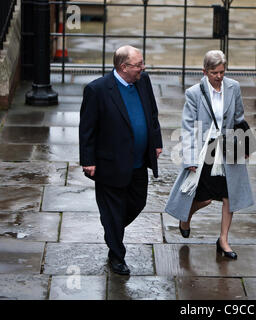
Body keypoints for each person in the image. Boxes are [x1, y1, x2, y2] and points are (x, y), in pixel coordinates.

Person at [79, 45, 163, 275]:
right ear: (123, 67)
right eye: (138, 64)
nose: (142, 68)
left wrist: (156, 142)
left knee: (138, 203)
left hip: (138, 161)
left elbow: (151, 114)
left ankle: (112, 229)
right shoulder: (97, 90)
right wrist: (88, 160)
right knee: (114, 210)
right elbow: (87, 129)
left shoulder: (143, 81)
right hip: (110, 164)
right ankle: (117, 255)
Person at [165, 50, 254, 259]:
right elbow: (187, 128)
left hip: (228, 147)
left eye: (222, 72)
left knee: (228, 197)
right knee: (203, 199)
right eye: (214, 72)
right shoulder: (194, 93)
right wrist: (190, 158)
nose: (219, 76)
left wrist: (245, 146)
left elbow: (239, 117)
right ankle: (185, 217)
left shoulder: (233, 87)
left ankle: (223, 239)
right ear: (204, 71)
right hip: (205, 148)